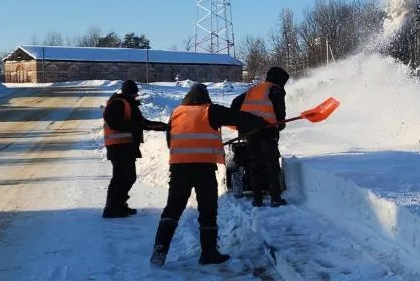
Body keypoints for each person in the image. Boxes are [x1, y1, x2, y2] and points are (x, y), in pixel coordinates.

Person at [149, 83, 267, 267]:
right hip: (203, 168)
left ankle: (159, 250)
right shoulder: (210, 110)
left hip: (179, 168)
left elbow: (170, 141)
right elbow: (240, 118)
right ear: (205, 98)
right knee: (208, 209)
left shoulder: (176, 113)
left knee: (173, 208)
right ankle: (209, 253)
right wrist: (262, 123)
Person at [102, 80, 168, 218]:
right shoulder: (118, 102)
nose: (136, 95)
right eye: (135, 93)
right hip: (119, 146)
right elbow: (114, 122)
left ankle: (119, 205)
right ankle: (112, 208)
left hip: (126, 146)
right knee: (121, 177)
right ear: (130, 92)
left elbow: (142, 123)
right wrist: (134, 125)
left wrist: (164, 126)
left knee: (128, 177)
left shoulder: (128, 104)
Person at [230, 66, 289, 207]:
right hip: (268, 132)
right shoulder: (275, 89)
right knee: (272, 164)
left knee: (254, 165)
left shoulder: (254, 90)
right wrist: (280, 124)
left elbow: (236, 102)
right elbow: (279, 111)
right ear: (279, 79)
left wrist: (242, 125)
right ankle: (275, 198)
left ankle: (257, 200)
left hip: (251, 133)